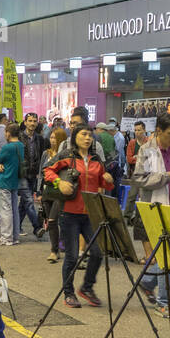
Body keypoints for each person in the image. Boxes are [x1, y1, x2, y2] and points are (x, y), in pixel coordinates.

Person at [46, 125, 113, 308]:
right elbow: (47, 171)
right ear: (75, 137)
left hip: (90, 213)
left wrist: (107, 181)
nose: (88, 138)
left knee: (98, 253)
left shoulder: (96, 159)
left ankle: (86, 288)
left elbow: (102, 184)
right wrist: (59, 183)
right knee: (72, 256)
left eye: (90, 135)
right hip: (69, 213)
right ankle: (68, 293)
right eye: (84, 134)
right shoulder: (66, 156)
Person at [131, 113, 170, 318]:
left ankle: (147, 282)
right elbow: (138, 179)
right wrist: (167, 177)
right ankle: (163, 303)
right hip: (153, 209)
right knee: (165, 257)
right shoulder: (146, 151)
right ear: (158, 131)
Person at [0, 123, 25, 246]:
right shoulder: (20, 145)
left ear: (8, 133)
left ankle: (6, 237)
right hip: (15, 181)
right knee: (14, 209)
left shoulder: (7, 147)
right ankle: (14, 236)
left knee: (5, 210)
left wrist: (0, 164)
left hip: (5, 180)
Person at [40, 127, 69, 263]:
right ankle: (54, 250)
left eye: (55, 138)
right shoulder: (46, 153)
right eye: (51, 137)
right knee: (50, 222)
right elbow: (41, 172)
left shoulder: (65, 155)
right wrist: (38, 191)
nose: (52, 140)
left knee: (54, 219)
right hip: (47, 191)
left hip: (59, 192)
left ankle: (56, 248)